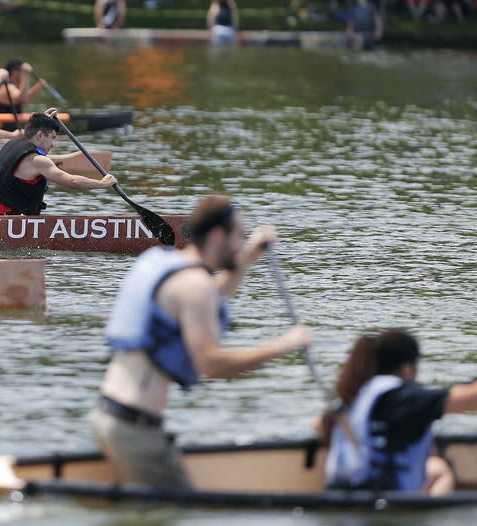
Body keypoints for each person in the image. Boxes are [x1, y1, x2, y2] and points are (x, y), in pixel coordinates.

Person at [90, 195, 312, 487]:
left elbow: (209, 302)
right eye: (239, 236)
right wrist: (284, 345)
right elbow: (210, 364)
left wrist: (248, 256)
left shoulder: (165, 263)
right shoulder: (195, 285)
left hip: (108, 415)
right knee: (180, 512)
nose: (240, 243)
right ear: (219, 235)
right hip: (134, 429)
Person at [318, 329, 477, 496]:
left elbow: (319, 423)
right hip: (380, 503)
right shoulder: (403, 399)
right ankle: (431, 519)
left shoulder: (356, 395)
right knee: (440, 468)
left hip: (339, 494)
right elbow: (468, 399)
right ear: (407, 369)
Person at [0, 109, 115, 216]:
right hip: (0, 218)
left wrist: (44, 118)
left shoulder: (12, 143)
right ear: (40, 135)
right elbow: (72, 182)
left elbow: (33, 126)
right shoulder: (39, 161)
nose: (53, 144)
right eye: (52, 138)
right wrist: (102, 183)